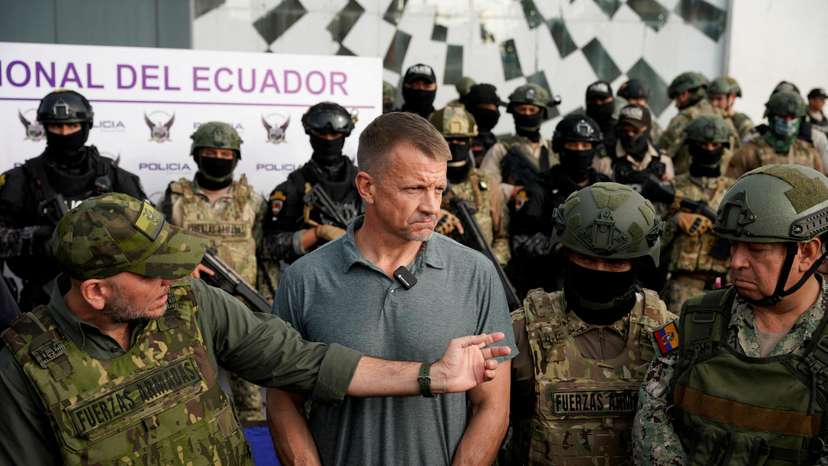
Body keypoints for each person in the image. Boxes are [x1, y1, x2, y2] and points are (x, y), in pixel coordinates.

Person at [0, 192, 511, 466]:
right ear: (95, 291)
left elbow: (301, 361)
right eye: (153, 272)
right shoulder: (23, 366)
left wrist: (431, 377)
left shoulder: (190, 303)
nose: (172, 280)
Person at [266, 111, 517, 466]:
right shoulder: (305, 279)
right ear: (367, 187)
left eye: (439, 189)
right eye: (414, 188)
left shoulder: (475, 274)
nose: (432, 206)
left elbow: (492, 405)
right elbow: (282, 402)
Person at [634, 164, 828, 465]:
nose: (736, 261)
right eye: (733, 245)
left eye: (755, 248)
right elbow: (652, 414)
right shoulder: (695, 320)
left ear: (806, 253)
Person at [509, 182, 675, 465]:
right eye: (586, 258)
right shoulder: (523, 330)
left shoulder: (665, 333)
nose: (599, 271)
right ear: (566, 254)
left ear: (637, 262)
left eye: (615, 264)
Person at [158, 121, 268, 427]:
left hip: (243, 311)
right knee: (187, 396)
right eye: (209, 152)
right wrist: (181, 262)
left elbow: (263, 251)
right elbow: (157, 250)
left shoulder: (253, 201)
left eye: (224, 152)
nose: (217, 157)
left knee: (251, 400)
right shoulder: (174, 198)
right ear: (196, 155)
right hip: (185, 311)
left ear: (235, 157)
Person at [0, 89, 145, 310]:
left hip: (108, 298)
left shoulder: (114, 177)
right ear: (45, 128)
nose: (64, 133)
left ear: (86, 126)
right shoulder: (20, 179)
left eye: (72, 126)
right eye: (56, 127)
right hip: (43, 299)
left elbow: (150, 231)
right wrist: (42, 238)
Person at [508, 114, 609, 296]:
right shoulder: (538, 190)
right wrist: (563, 245)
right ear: (559, 148)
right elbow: (520, 245)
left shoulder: (608, 189)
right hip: (551, 291)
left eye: (586, 145)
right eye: (573, 145)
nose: (579, 151)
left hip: (602, 286)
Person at [261, 102, 362, 264]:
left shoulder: (364, 184)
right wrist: (317, 233)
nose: (328, 139)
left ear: (345, 135)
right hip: (312, 278)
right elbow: (269, 246)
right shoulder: (292, 188)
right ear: (310, 134)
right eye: (322, 134)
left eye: (334, 135)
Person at [661, 115, 734, 312]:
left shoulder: (736, 190)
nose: (709, 150)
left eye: (715, 145)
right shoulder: (671, 189)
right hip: (683, 286)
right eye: (702, 144)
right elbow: (651, 242)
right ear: (691, 147)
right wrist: (675, 221)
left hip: (726, 287)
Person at [428, 105, 510, 267]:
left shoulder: (486, 183)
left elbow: (503, 237)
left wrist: (490, 265)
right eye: (448, 140)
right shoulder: (422, 183)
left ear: (470, 141)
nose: (455, 145)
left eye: (461, 140)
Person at [480, 83, 560, 204]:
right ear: (514, 112)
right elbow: (484, 187)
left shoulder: (554, 149)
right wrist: (515, 191)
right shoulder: (501, 149)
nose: (527, 114)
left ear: (542, 112)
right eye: (522, 109)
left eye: (532, 110)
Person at [727, 90, 822, 178]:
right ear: (771, 118)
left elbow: (822, 189)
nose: (787, 122)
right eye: (782, 117)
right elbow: (729, 187)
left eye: (792, 117)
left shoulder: (809, 152)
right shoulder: (749, 152)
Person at [659, 71, 736, 158]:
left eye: (677, 98)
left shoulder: (684, 118)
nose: (676, 105)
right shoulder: (724, 117)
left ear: (684, 94)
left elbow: (662, 151)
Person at [611, 104, 674, 185]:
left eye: (635, 130)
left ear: (647, 129)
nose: (630, 134)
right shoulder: (607, 158)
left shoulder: (663, 160)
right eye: (626, 130)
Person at [461, 83, 506, 166]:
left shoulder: (496, 142)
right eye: (483, 108)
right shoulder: (459, 142)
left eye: (492, 108)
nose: (488, 113)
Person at [708, 76, 754, 142]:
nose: (714, 103)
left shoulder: (741, 122)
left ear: (732, 98)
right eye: (711, 98)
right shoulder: (705, 118)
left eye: (719, 99)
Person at [617, 78, 663, 142]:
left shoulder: (653, 126)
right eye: (635, 98)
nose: (641, 103)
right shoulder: (616, 120)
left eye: (643, 99)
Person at [585, 80, 618, 158]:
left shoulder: (621, 129)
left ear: (611, 99)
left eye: (602, 99)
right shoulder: (582, 129)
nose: (598, 103)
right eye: (593, 100)